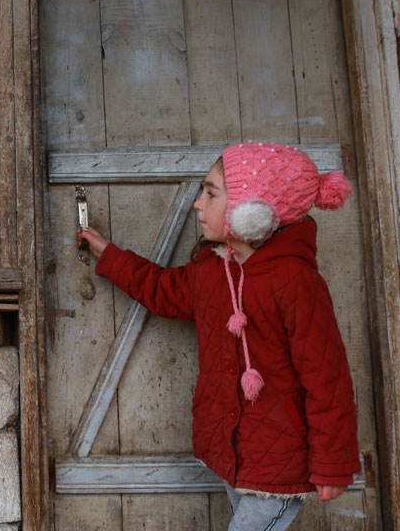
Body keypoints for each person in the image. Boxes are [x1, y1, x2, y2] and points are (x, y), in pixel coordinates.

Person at [77, 143, 360, 531]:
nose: (198, 204)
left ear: (251, 208)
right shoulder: (211, 270)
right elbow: (162, 290)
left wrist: (333, 463)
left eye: (211, 193)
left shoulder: (296, 281)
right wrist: (107, 253)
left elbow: (327, 379)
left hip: (281, 455)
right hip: (231, 449)